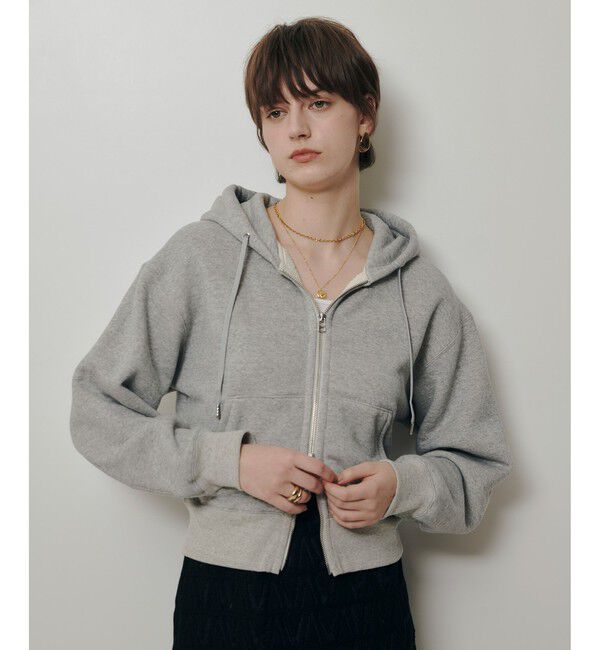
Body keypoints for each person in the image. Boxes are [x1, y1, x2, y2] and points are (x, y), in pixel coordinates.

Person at [69, 16, 513, 650]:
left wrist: (402, 486)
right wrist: (229, 462)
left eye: (319, 103)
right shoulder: (201, 260)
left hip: (368, 603)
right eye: (276, 112)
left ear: (366, 116)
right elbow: (96, 410)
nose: (297, 128)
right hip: (226, 597)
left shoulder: (418, 289)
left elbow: (477, 460)